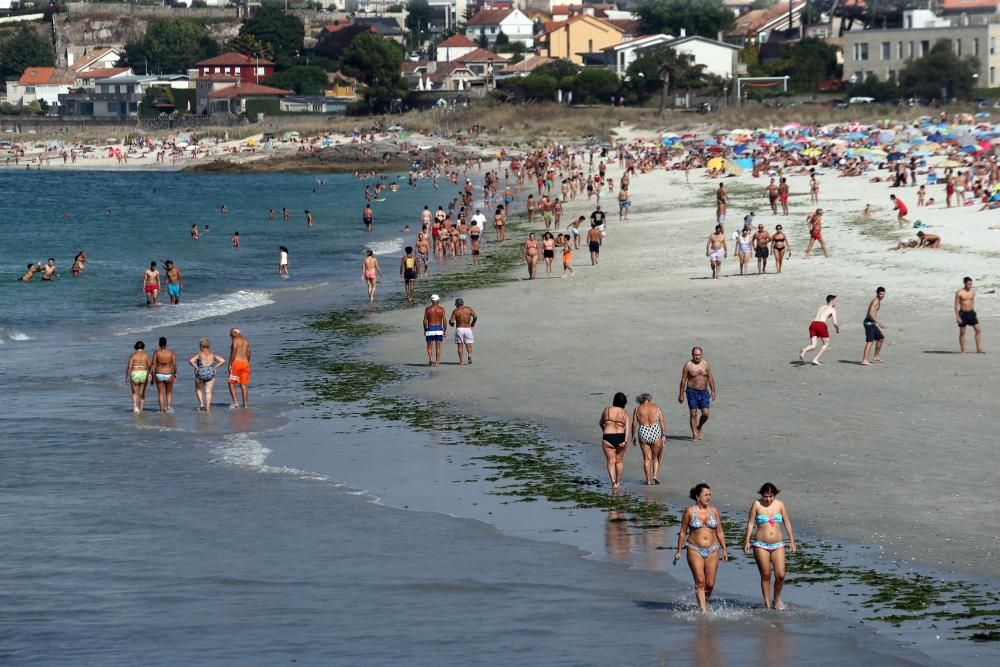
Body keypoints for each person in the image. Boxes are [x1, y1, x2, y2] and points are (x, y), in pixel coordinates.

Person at [742, 482, 797, 611]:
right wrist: (746, 540)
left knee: (780, 575)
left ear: (775, 495)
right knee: (766, 574)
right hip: (760, 545)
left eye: (771, 496)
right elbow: (750, 523)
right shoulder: (756, 504)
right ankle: (767, 604)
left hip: (778, 544)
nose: (768, 499)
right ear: (762, 495)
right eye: (766, 496)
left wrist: (792, 540)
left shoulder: (780, 505)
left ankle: (776, 600)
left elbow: (787, 523)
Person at [675, 483, 728, 613]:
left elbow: (719, 531)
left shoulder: (714, 511)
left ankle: (703, 602)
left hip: (713, 549)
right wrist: (679, 550)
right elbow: (683, 532)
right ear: (698, 496)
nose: (708, 497)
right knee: (700, 581)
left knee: (709, 584)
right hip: (694, 549)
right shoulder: (689, 511)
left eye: (709, 495)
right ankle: (703, 611)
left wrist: (725, 549)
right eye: (706, 495)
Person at [678, 347, 716, 441]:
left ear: (701, 355)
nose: (697, 357)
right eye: (695, 355)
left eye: (699, 355)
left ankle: (699, 427)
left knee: (706, 413)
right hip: (692, 392)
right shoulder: (688, 365)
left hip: (704, 392)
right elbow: (683, 380)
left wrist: (713, 391)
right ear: (692, 355)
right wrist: (681, 394)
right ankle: (695, 434)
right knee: (693, 413)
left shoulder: (706, 364)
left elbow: (710, 378)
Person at [599, 392, 631, 490]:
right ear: (624, 402)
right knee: (619, 461)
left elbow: (600, 423)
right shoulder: (625, 413)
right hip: (621, 437)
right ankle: (618, 481)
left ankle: (613, 482)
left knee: (611, 461)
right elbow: (627, 428)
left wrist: (605, 431)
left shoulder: (607, 410)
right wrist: (625, 441)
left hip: (608, 437)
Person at [632, 393, 666, 485]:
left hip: (643, 431)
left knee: (647, 459)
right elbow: (662, 421)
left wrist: (633, 436)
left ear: (640, 400)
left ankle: (648, 480)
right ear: (649, 400)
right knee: (655, 457)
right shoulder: (656, 407)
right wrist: (663, 435)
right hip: (655, 430)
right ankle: (655, 476)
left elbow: (634, 424)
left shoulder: (637, 409)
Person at [799, 295, 840, 365]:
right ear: (832, 301)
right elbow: (835, 323)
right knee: (826, 344)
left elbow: (823, 315)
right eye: (835, 300)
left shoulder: (821, 307)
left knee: (813, 345)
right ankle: (815, 359)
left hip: (813, 324)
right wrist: (837, 329)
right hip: (821, 325)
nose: (836, 302)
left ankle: (804, 350)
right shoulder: (832, 310)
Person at [188, 338, 225, 413]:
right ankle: (208, 409)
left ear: (201, 346)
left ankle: (201, 404)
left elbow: (191, 361)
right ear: (208, 346)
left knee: (199, 389)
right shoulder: (212, 354)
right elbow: (222, 360)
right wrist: (215, 367)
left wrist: (196, 367)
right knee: (208, 391)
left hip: (200, 373)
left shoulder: (199, 354)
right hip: (210, 373)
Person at [956, 276, 984, 353]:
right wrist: (958, 317)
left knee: (978, 330)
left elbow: (972, 302)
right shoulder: (959, 292)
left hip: (971, 313)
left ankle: (978, 349)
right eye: (969, 284)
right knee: (962, 332)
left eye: (971, 284)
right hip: (963, 314)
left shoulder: (972, 292)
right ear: (964, 283)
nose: (970, 286)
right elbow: (956, 305)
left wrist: (974, 313)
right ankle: (962, 350)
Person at [151, 336, 177, 413]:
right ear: (166, 343)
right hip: (169, 373)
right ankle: (169, 408)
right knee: (169, 392)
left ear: (159, 344)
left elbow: (153, 364)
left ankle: (161, 410)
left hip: (158, 373)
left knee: (160, 393)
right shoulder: (171, 352)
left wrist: (150, 374)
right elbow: (174, 365)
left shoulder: (156, 352)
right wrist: (175, 373)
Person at [449, 297, 477, 365]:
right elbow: (475, 316)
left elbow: (452, 321)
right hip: (468, 328)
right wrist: (473, 323)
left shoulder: (456, 311)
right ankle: (469, 355)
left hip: (459, 329)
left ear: (456, 304)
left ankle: (461, 361)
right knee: (468, 344)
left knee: (460, 345)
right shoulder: (469, 309)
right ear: (463, 303)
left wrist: (451, 323)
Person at [862, 287, 886, 365]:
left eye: (883, 294)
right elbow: (870, 314)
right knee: (870, 341)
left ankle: (876, 356)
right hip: (868, 323)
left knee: (880, 338)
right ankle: (865, 360)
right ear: (877, 293)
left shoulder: (878, 301)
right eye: (881, 294)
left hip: (872, 323)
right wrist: (879, 322)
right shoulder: (875, 301)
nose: (882, 295)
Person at [227, 328, 251, 408]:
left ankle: (235, 402)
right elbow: (249, 353)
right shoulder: (246, 340)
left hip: (237, 362)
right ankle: (245, 405)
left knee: (231, 383)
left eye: (231, 334)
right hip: (245, 363)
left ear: (234, 333)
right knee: (243, 385)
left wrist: (230, 363)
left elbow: (233, 351)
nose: (230, 336)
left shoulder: (235, 339)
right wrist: (247, 363)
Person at [125, 340, 150, 414]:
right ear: (143, 347)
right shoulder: (146, 355)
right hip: (143, 373)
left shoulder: (133, 355)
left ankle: (135, 407)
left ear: (135, 347)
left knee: (134, 392)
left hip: (135, 372)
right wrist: (150, 375)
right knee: (142, 393)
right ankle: (141, 409)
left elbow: (129, 367)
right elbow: (149, 365)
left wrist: (127, 377)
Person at [423, 294, 446, 367]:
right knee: (438, 346)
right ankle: (437, 362)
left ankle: (430, 360)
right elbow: (444, 321)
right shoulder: (441, 309)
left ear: (431, 300)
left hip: (430, 328)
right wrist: (445, 330)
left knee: (429, 346)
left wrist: (425, 329)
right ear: (438, 300)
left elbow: (424, 321)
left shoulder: (428, 309)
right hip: (439, 328)